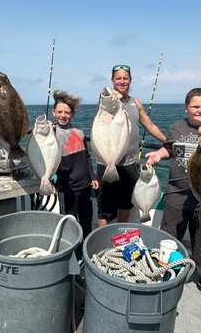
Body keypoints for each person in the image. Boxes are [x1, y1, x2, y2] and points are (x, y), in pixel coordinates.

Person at [146, 88, 201, 310]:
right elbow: (170, 148)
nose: (200, 110)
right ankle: (166, 274)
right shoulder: (177, 127)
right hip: (178, 192)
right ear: (186, 108)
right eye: (195, 106)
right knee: (169, 236)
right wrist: (159, 154)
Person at [96, 64, 166, 227]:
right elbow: (103, 96)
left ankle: (119, 235)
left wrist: (168, 141)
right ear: (112, 80)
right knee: (104, 209)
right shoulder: (107, 101)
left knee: (126, 204)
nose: (122, 81)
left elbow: (151, 126)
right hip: (107, 163)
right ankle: (103, 242)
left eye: (125, 78)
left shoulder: (136, 103)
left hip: (130, 164)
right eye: (118, 78)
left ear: (130, 80)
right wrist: (109, 96)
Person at [52, 90, 99, 244]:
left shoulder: (79, 131)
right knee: (69, 222)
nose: (63, 115)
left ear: (72, 114)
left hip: (85, 185)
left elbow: (86, 156)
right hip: (67, 188)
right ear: (53, 113)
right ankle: (71, 251)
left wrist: (93, 177)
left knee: (87, 220)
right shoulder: (52, 133)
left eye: (67, 112)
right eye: (59, 112)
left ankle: (86, 249)